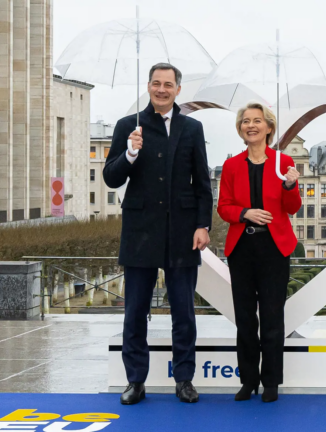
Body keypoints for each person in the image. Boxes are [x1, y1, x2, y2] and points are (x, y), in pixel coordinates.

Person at [103, 63, 213, 405]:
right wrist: (130, 153)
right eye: (156, 83)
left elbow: (203, 185)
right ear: (148, 86)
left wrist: (202, 225)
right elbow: (111, 177)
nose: (161, 89)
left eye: (168, 84)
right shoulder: (128, 126)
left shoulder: (192, 128)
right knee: (135, 311)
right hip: (140, 233)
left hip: (183, 233)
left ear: (178, 89)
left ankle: (184, 380)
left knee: (184, 312)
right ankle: (135, 381)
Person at [216, 102, 301, 402]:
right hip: (242, 247)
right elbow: (223, 207)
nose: (250, 125)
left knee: (272, 316)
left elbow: (292, 208)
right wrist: (245, 214)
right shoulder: (231, 165)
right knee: (245, 319)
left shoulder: (283, 161)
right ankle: (249, 379)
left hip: (274, 248)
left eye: (257, 121)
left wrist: (291, 186)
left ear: (268, 127)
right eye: (245, 121)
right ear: (240, 129)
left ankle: (272, 382)